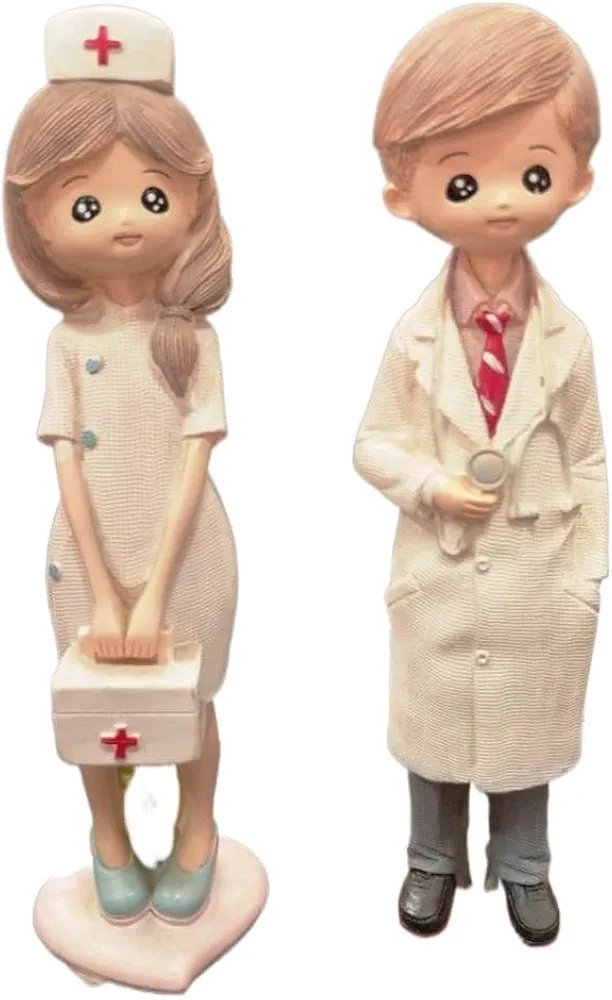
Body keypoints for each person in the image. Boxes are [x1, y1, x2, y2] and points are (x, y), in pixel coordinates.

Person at [354, 4, 608, 945]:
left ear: (577, 180)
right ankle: (431, 857)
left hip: (541, 579)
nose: (501, 200)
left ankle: (526, 865)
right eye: (463, 179)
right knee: (435, 733)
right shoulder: (415, 338)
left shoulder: (568, 340)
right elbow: (373, 443)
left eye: (533, 173)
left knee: (524, 734)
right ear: (403, 195)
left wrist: (589, 572)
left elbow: (590, 457)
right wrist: (429, 487)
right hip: (442, 569)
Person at [4, 5, 236, 925]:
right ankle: (107, 834)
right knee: (92, 704)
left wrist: (153, 592)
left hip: (190, 552)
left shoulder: (192, 338)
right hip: (86, 551)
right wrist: (106, 592)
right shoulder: (68, 343)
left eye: (153, 194)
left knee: (192, 697)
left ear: (194, 201)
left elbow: (194, 461)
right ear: (34, 218)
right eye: (85, 203)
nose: (125, 222)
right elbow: (66, 465)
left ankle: (197, 828)